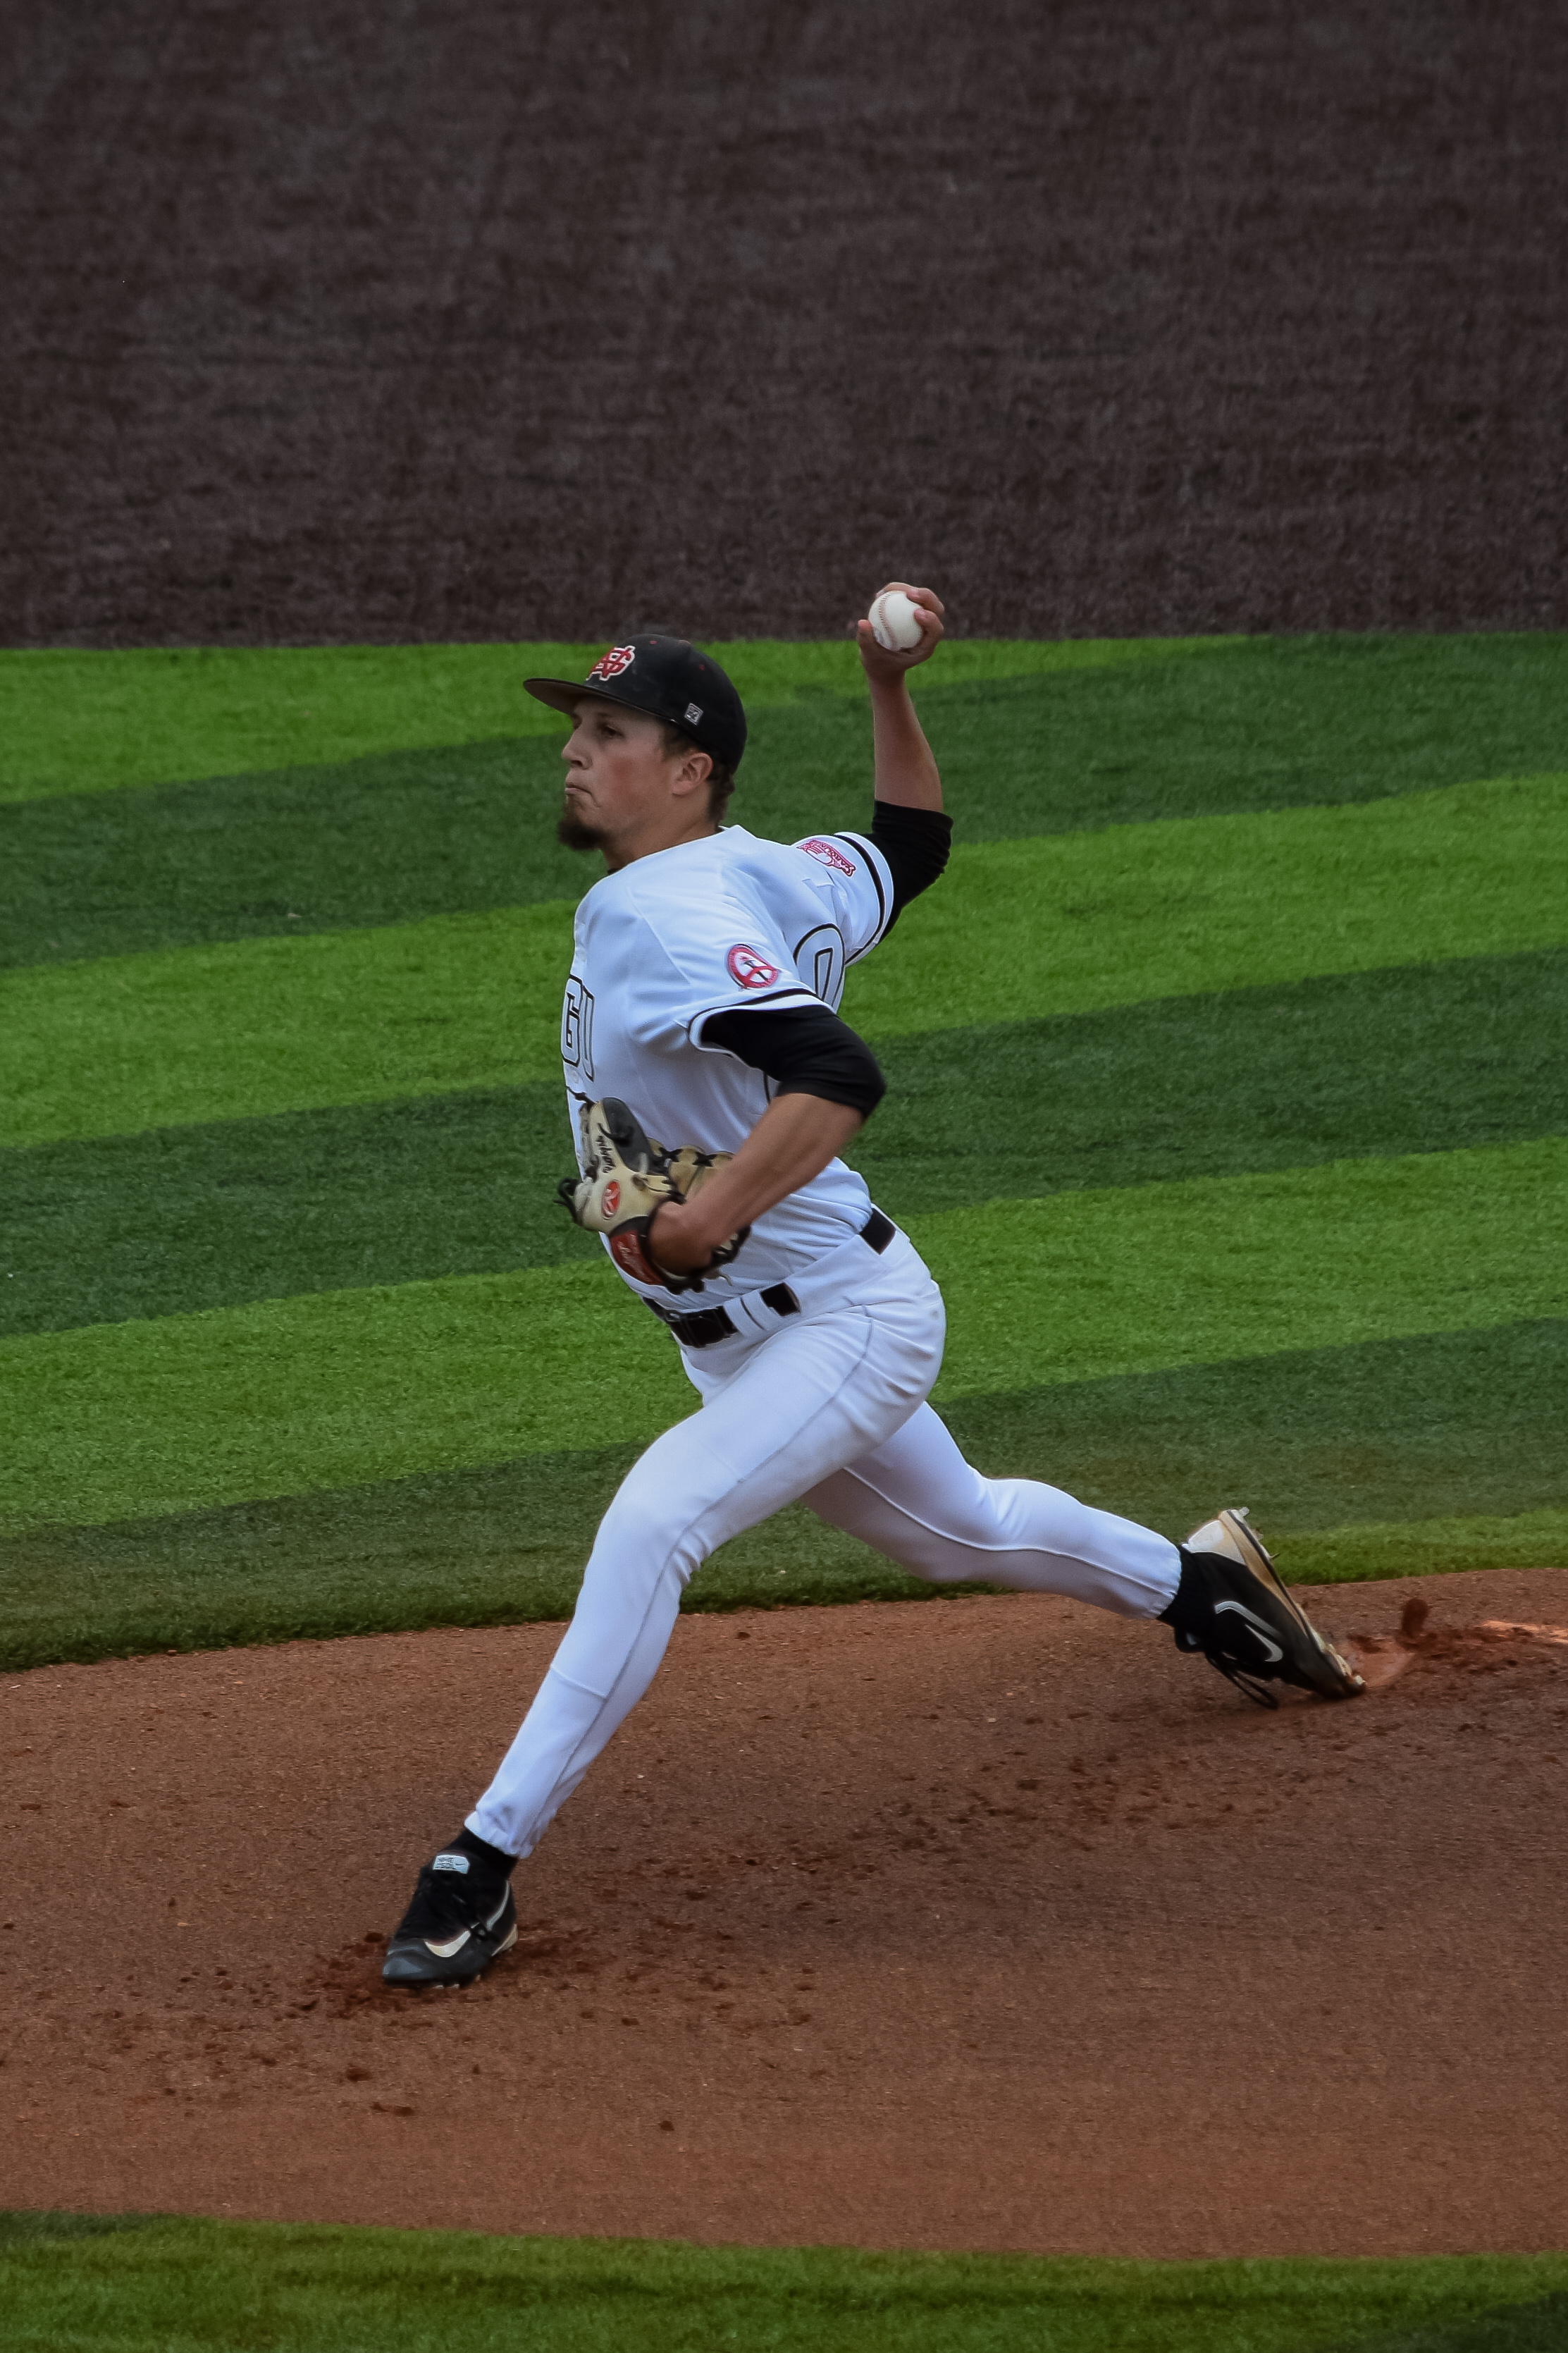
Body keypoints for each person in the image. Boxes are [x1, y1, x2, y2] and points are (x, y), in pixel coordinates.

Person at [381, 588, 1363, 1988]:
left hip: (839, 1321)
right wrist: (884, 685)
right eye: (578, 727)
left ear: (688, 770)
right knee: (955, 1530)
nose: (575, 751)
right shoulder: (770, 871)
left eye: (610, 730)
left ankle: (477, 1867)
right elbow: (913, 843)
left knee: (655, 1520)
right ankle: (1203, 1586)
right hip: (769, 1337)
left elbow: (840, 1074)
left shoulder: (665, 914)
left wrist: (708, 1212)